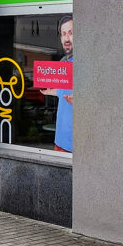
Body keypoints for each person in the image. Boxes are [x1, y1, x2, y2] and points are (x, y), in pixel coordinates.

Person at [48, 16, 75, 153]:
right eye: (64, 34)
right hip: (59, 142)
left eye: (71, 33)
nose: (67, 39)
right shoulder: (63, 63)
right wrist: (49, 91)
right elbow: (63, 92)